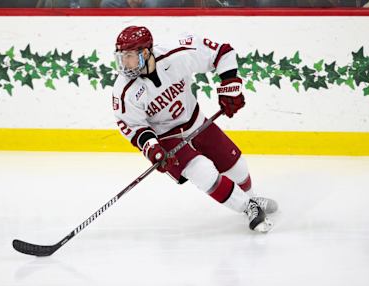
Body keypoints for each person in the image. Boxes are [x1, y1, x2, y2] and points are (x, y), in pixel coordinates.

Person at [111, 26, 278, 233]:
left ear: (146, 53)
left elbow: (222, 53)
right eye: (121, 56)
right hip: (166, 138)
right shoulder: (124, 91)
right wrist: (153, 148)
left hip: (196, 121)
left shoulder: (177, 54)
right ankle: (248, 207)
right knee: (202, 172)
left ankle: (251, 198)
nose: (123, 63)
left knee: (237, 167)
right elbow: (134, 127)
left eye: (129, 56)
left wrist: (230, 87)